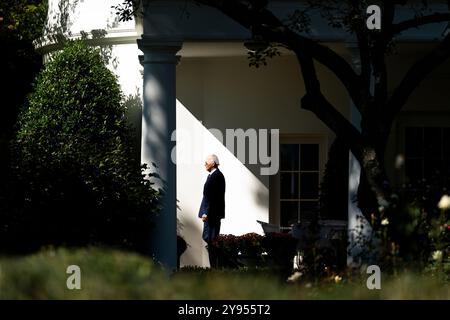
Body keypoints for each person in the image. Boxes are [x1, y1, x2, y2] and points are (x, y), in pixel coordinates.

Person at [198, 154, 225, 268]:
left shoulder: (216, 176)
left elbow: (212, 197)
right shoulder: (212, 176)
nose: (204, 164)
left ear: (213, 163)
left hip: (212, 215)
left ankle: (215, 268)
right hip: (212, 214)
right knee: (209, 240)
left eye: (206, 162)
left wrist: (206, 212)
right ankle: (214, 267)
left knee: (211, 240)